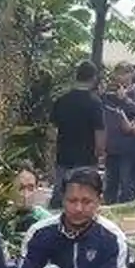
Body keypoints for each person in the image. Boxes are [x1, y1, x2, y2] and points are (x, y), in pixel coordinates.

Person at [50, 60, 105, 208]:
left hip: (64, 155)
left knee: (60, 194)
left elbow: (52, 131)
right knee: (85, 195)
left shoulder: (62, 100)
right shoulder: (95, 103)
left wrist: (51, 154)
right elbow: (99, 132)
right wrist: (100, 154)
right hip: (86, 158)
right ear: (93, 78)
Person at [100, 63, 135, 203]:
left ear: (131, 74)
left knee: (127, 183)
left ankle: (128, 209)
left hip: (129, 145)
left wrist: (124, 99)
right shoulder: (110, 91)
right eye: (118, 73)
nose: (121, 77)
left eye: (125, 73)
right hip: (112, 146)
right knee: (110, 183)